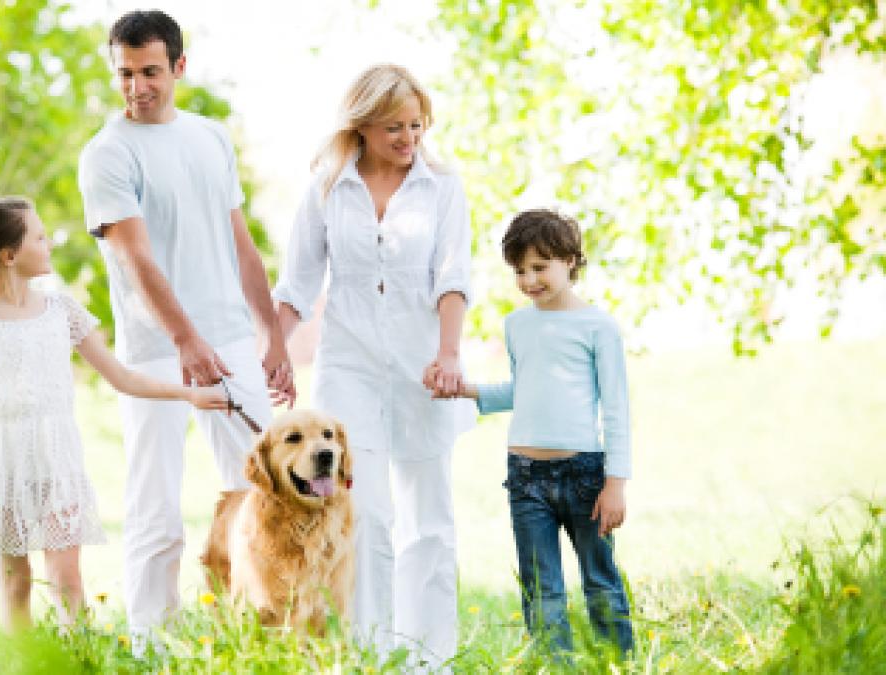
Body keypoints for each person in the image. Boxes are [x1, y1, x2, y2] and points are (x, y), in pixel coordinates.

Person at [76, 10, 293, 648]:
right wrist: (185, 340)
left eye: (149, 72)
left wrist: (271, 333)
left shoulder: (210, 138)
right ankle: (152, 645)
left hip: (229, 340)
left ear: (178, 67)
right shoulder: (107, 154)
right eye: (124, 73)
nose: (137, 86)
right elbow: (135, 257)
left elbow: (240, 243)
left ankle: (260, 634)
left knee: (260, 493)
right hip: (155, 352)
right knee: (155, 507)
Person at [0, 196, 229, 631]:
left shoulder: (63, 311)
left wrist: (188, 395)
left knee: (67, 580)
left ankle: (77, 659)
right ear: (9, 255)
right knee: (15, 584)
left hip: (58, 465)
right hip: (4, 470)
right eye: (39, 238)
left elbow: (123, 377)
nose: (48, 245)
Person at [272, 64, 473, 667]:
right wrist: (275, 347)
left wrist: (448, 353)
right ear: (360, 127)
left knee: (428, 515)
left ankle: (430, 658)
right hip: (349, 365)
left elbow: (454, 277)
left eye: (416, 125)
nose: (408, 138)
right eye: (393, 128)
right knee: (367, 514)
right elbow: (298, 281)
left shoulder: (444, 187)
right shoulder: (328, 187)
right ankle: (372, 654)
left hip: (424, 368)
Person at [427, 208, 635, 655]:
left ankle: (618, 662)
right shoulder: (517, 325)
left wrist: (615, 483)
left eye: (539, 267)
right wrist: (467, 390)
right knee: (542, 589)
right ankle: (554, 665)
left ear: (570, 261)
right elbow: (524, 390)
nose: (528, 280)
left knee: (600, 579)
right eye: (519, 270)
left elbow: (616, 408)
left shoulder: (598, 326)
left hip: (584, 475)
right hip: (525, 477)